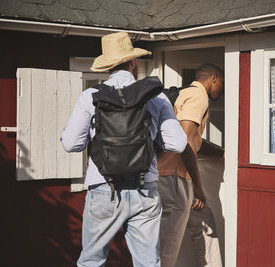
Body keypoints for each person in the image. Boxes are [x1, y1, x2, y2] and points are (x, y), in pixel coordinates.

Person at [60, 32, 187, 267]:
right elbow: (178, 144)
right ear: (133, 62)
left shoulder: (91, 97)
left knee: (92, 262)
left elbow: (71, 144)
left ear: (107, 66)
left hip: (103, 188)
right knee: (148, 263)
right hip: (145, 189)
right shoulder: (157, 97)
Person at [157, 63, 224, 267]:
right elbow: (185, 141)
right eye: (222, 82)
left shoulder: (183, 95)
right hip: (176, 178)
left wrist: (223, 153)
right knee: (168, 246)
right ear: (213, 78)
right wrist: (198, 187)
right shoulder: (198, 96)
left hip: (163, 174)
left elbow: (195, 141)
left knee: (203, 221)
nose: (222, 88)